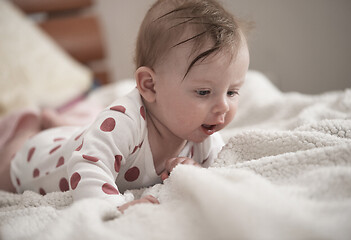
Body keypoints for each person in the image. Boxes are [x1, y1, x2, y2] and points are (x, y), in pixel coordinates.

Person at [0, 0, 250, 213]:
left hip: (83, 139)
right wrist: (112, 206)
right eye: (204, 92)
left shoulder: (203, 134)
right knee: (6, 173)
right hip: (39, 159)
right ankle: (28, 128)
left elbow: (214, 172)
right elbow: (87, 166)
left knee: (89, 137)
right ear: (150, 86)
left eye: (232, 92)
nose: (223, 107)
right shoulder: (123, 121)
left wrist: (191, 171)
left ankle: (62, 125)